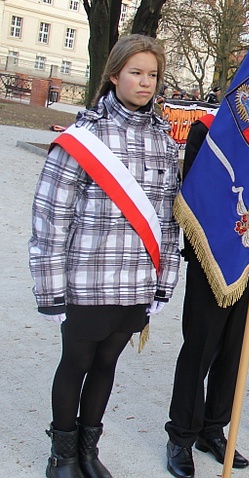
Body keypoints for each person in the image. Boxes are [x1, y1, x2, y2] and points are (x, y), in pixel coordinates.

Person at [29, 34, 180, 478]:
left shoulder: (165, 141)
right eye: (136, 72)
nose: (145, 82)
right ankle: (62, 454)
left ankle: (89, 449)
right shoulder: (84, 138)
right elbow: (51, 218)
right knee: (75, 364)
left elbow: (168, 219)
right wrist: (51, 291)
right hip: (86, 279)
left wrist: (162, 283)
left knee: (106, 365)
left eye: (152, 74)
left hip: (135, 282)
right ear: (114, 74)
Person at [164, 113, 249, 477]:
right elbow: (198, 199)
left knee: (235, 350)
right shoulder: (207, 129)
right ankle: (181, 435)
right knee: (199, 348)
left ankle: (213, 428)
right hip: (211, 260)